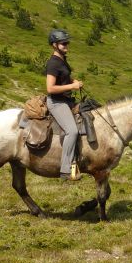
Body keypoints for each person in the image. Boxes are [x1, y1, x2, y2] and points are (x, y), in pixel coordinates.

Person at [45, 29, 83, 181]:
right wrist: (72, 87)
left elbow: (64, 76)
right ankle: (65, 170)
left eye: (67, 42)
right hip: (56, 102)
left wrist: (72, 80)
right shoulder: (53, 63)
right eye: (63, 43)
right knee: (72, 131)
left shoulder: (62, 59)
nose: (67, 45)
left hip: (66, 100)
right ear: (54, 45)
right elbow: (50, 88)